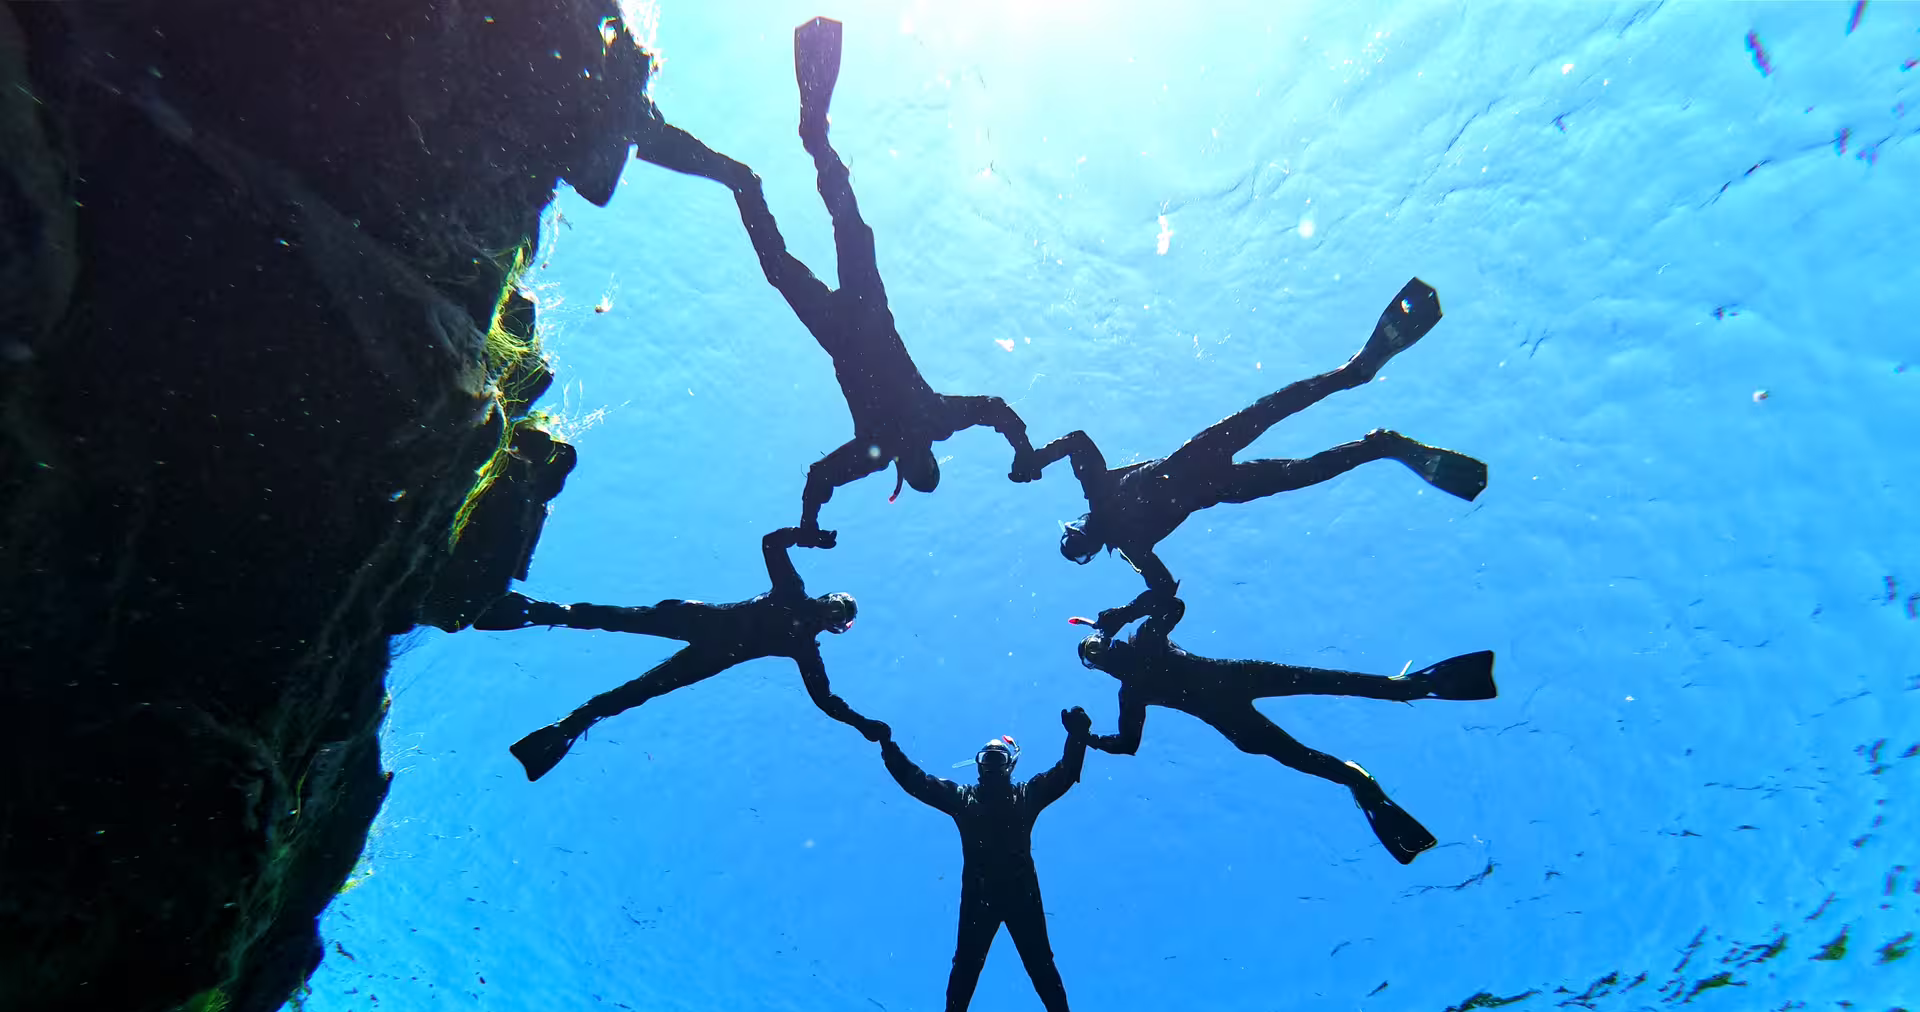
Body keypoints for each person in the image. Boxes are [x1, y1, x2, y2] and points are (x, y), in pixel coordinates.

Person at [728, 18, 1035, 534]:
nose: (918, 460)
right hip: (867, 314)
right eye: (928, 465)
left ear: (904, 470)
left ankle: (745, 185)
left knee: (797, 259)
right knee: (845, 227)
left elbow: (819, 478)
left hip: (843, 331)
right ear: (931, 458)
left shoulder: (879, 450)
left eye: (917, 470)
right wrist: (1022, 449)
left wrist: (808, 524)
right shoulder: (935, 420)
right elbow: (997, 411)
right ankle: (811, 143)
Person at [1019, 278, 1488, 592]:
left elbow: (1078, 440)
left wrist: (1037, 458)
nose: (1082, 536)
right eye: (1080, 547)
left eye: (1072, 535)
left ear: (1076, 523)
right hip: (1218, 484)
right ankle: (1376, 443)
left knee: (1275, 413)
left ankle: (1356, 377)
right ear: (1091, 549)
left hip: (1197, 460)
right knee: (1299, 466)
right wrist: (1127, 617)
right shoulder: (1131, 547)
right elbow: (1166, 590)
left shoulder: (1101, 497)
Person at [1072, 588, 1496, 864]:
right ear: (1099, 664)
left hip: (1234, 695)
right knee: (1311, 721)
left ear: (1105, 640)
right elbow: (1128, 742)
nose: (1098, 654)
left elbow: (1171, 602)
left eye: (1094, 647)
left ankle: (1404, 694)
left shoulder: (1140, 658)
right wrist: (1089, 737)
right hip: (1234, 695)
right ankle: (1358, 772)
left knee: (1324, 687)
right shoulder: (1133, 681)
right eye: (1091, 656)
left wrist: (1090, 738)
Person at [479, 528, 884, 780]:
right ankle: (536, 613)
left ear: (835, 626)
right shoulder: (794, 600)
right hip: (704, 629)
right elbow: (771, 543)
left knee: (635, 682)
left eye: (838, 616)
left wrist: (861, 722)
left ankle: (565, 726)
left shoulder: (803, 640)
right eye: (836, 607)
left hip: (709, 647)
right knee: (618, 623)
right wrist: (807, 534)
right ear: (830, 602)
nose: (831, 613)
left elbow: (825, 699)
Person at [873, 709, 1106, 1012]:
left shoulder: (1018, 795)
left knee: (1031, 964)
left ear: (1009, 766)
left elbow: (1066, 773)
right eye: (988, 758)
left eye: (998, 758)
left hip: (1002, 895)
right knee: (988, 964)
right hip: (1001, 894)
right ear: (979, 765)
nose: (993, 764)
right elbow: (918, 783)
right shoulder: (969, 798)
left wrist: (1078, 737)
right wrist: (888, 747)